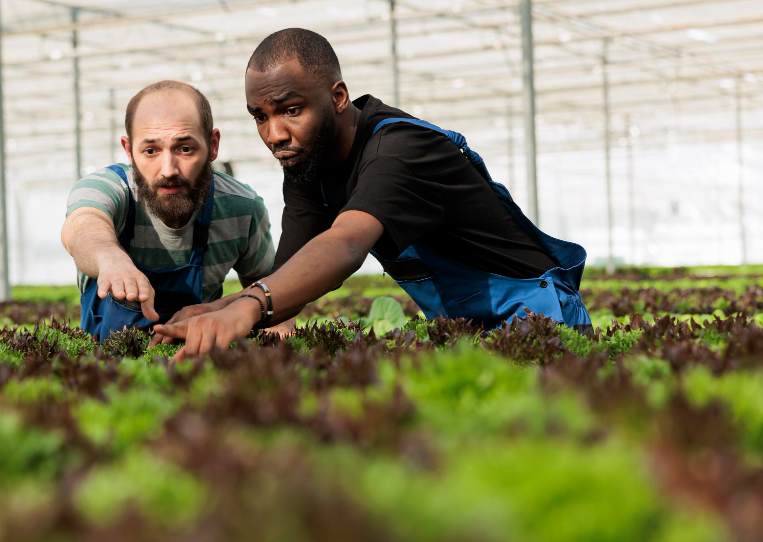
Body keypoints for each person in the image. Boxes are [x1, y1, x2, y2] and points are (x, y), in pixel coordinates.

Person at [151, 28, 592, 358]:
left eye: (291, 110)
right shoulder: (308, 166)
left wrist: (247, 306)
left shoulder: (398, 151)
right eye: (260, 117)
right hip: (466, 328)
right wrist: (218, 309)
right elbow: (288, 279)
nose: (275, 134)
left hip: (538, 318)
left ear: (338, 96)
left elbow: (345, 245)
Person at [61, 80, 279, 341]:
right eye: (151, 151)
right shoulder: (109, 188)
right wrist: (110, 258)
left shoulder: (242, 209)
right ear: (129, 151)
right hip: (108, 372)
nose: (168, 170)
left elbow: (272, 295)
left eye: (185, 149)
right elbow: (83, 226)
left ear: (213, 144)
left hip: (200, 371)